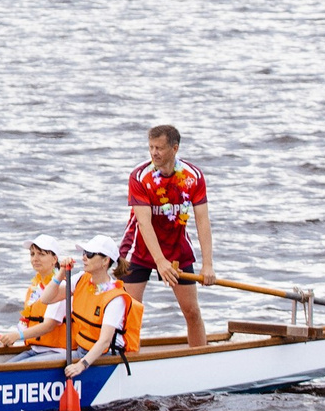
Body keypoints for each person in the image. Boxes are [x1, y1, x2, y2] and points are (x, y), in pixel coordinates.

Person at [121, 124, 213, 347]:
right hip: (138, 249)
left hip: (176, 249)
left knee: (192, 312)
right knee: (129, 315)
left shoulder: (194, 176)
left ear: (175, 148)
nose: (154, 153)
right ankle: (126, 364)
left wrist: (208, 265)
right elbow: (144, 222)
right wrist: (159, 262)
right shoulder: (139, 177)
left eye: (159, 148)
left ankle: (201, 360)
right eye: (151, 147)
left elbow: (202, 220)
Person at [63, 235, 143, 380]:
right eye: (84, 253)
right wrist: (62, 272)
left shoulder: (115, 298)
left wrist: (81, 365)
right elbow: (46, 299)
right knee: (30, 362)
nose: (84, 258)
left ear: (105, 261)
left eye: (90, 254)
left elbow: (104, 341)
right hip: (81, 350)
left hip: (103, 356)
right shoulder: (81, 278)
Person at [0, 234, 71, 351]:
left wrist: (17, 336)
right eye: (32, 254)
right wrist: (8, 338)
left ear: (54, 259)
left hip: (55, 351)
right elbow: (25, 321)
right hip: (35, 349)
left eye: (41, 254)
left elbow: (48, 325)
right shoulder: (33, 288)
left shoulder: (62, 288)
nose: (35, 259)